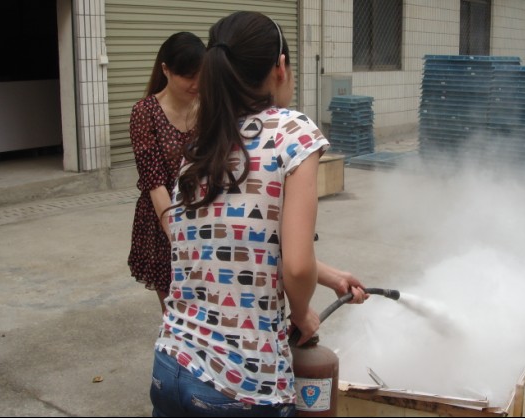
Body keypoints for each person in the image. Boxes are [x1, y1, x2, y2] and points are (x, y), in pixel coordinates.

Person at [149, 11, 366, 417]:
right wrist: (301, 313)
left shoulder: (201, 146)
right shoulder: (293, 132)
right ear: (280, 66)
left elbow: (238, 242)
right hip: (240, 385)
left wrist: (330, 275)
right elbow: (296, 266)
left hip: (170, 367)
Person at [128, 32, 206, 313]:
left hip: (205, 215)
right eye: (188, 76)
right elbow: (155, 183)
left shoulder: (209, 107)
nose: (196, 84)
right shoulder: (145, 112)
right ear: (165, 69)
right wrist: (177, 238)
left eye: (201, 75)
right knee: (176, 312)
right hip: (164, 221)